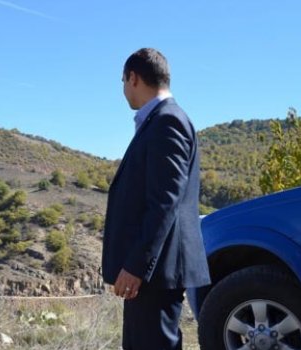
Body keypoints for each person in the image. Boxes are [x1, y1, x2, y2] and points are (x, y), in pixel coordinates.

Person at [101, 48, 210, 350]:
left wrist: (137, 266)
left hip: (156, 272)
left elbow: (165, 202)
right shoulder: (159, 121)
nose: (123, 90)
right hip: (154, 271)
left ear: (133, 78)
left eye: (123, 81)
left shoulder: (167, 122)